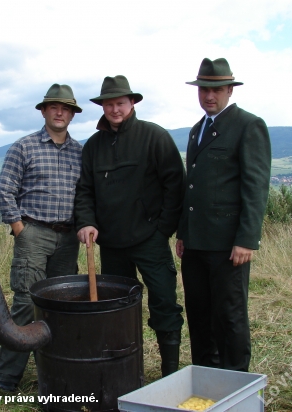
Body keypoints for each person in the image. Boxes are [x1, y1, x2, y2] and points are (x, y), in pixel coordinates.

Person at [75, 75, 185, 377]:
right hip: (111, 244)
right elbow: (85, 190)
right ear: (102, 106)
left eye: (120, 103)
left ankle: (169, 374)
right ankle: (123, 372)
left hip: (150, 239)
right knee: (118, 309)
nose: (114, 109)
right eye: (108, 104)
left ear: (132, 103)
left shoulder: (154, 137)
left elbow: (175, 185)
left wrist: (163, 228)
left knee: (164, 302)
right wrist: (86, 222)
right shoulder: (93, 147)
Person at [175, 58, 272, 372]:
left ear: (230, 89)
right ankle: (205, 377)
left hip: (229, 245)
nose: (209, 95)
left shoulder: (248, 125)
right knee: (199, 313)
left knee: (229, 315)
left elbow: (255, 186)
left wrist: (247, 239)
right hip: (196, 243)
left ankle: (236, 383)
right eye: (204, 89)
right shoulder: (196, 131)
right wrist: (183, 232)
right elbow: (193, 187)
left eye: (216, 89)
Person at [0, 84, 83, 391]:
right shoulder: (24, 147)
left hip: (68, 239)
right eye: (54, 107)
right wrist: (21, 230)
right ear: (44, 111)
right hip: (34, 234)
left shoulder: (79, 152)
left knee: (62, 306)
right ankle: (7, 380)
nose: (60, 112)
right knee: (25, 305)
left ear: (72, 114)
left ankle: (56, 376)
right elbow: (5, 191)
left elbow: (85, 196)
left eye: (66, 108)